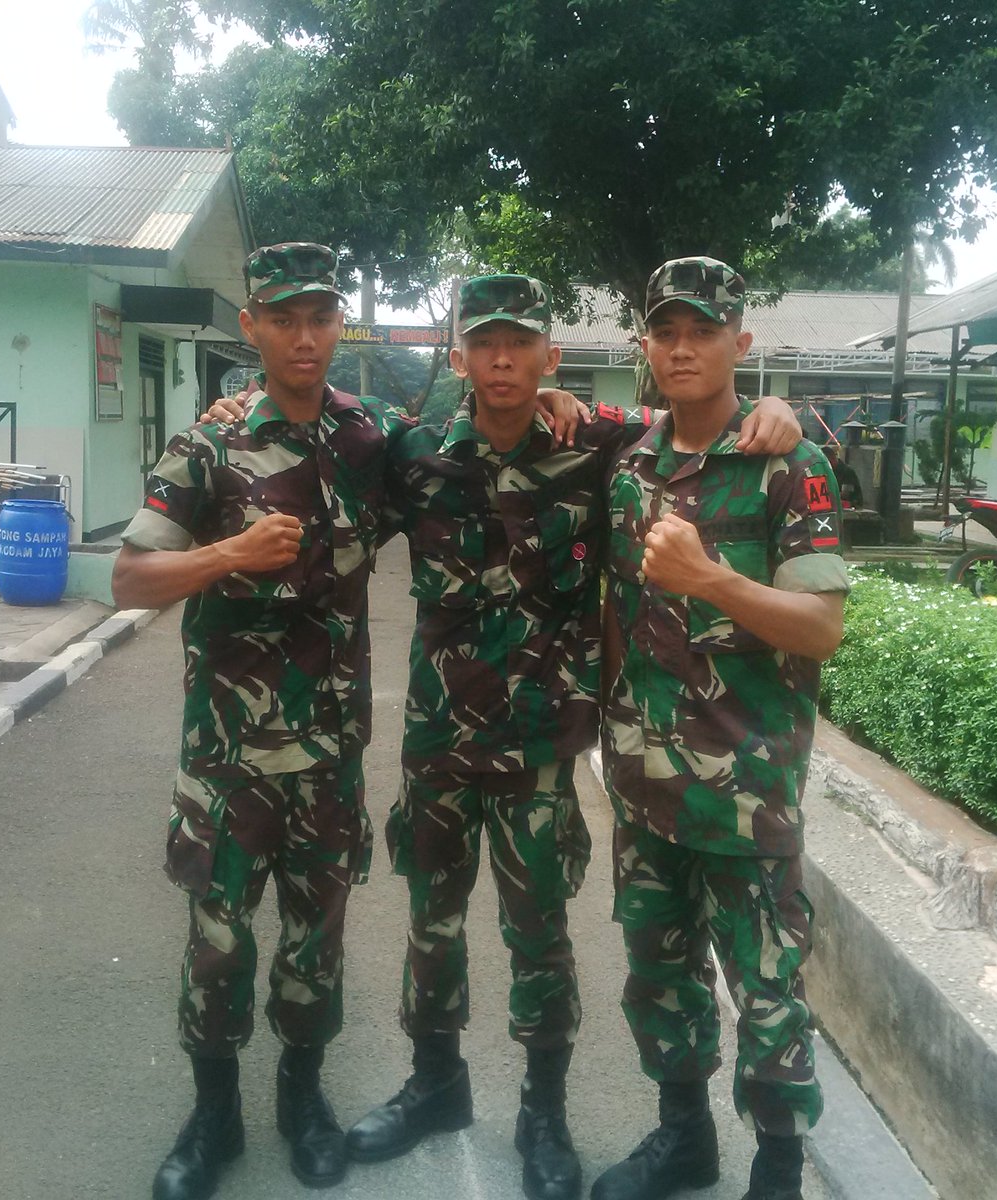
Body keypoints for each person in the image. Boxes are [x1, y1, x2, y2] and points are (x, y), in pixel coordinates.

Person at [202, 273, 802, 1200]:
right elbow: (317, 452)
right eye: (484, 343)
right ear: (459, 359)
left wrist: (785, 410)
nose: (503, 360)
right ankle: (435, 1084)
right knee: (429, 924)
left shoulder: (597, 443)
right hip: (438, 738)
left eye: (521, 343)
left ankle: (543, 1115)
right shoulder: (410, 454)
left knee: (539, 934)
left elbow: (708, 434)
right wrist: (242, 408)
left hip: (540, 742)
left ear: (549, 356)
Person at [112, 242, 411, 1200]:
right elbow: (130, 578)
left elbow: (493, 443)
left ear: (339, 325)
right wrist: (229, 554)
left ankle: (302, 1098)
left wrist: (585, 405)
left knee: (314, 942)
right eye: (283, 318)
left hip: (328, 757)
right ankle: (213, 1117)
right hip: (228, 760)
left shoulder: (370, 439)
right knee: (218, 940)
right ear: (252, 328)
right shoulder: (206, 445)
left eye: (320, 317)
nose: (304, 337)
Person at [593, 257, 850, 1200]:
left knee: (768, 988)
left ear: (741, 343)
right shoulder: (630, 467)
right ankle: (684, 1139)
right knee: (659, 972)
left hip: (746, 792)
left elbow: (821, 628)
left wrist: (715, 583)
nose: (683, 347)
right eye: (666, 331)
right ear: (647, 348)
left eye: (703, 330)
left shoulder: (790, 464)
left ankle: (777, 1172)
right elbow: (621, 610)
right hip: (645, 780)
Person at [823, 442, 864, 508]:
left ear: (832, 458)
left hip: (851, 505)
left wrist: (827, 498)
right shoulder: (827, 472)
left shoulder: (847, 472)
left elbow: (846, 494)